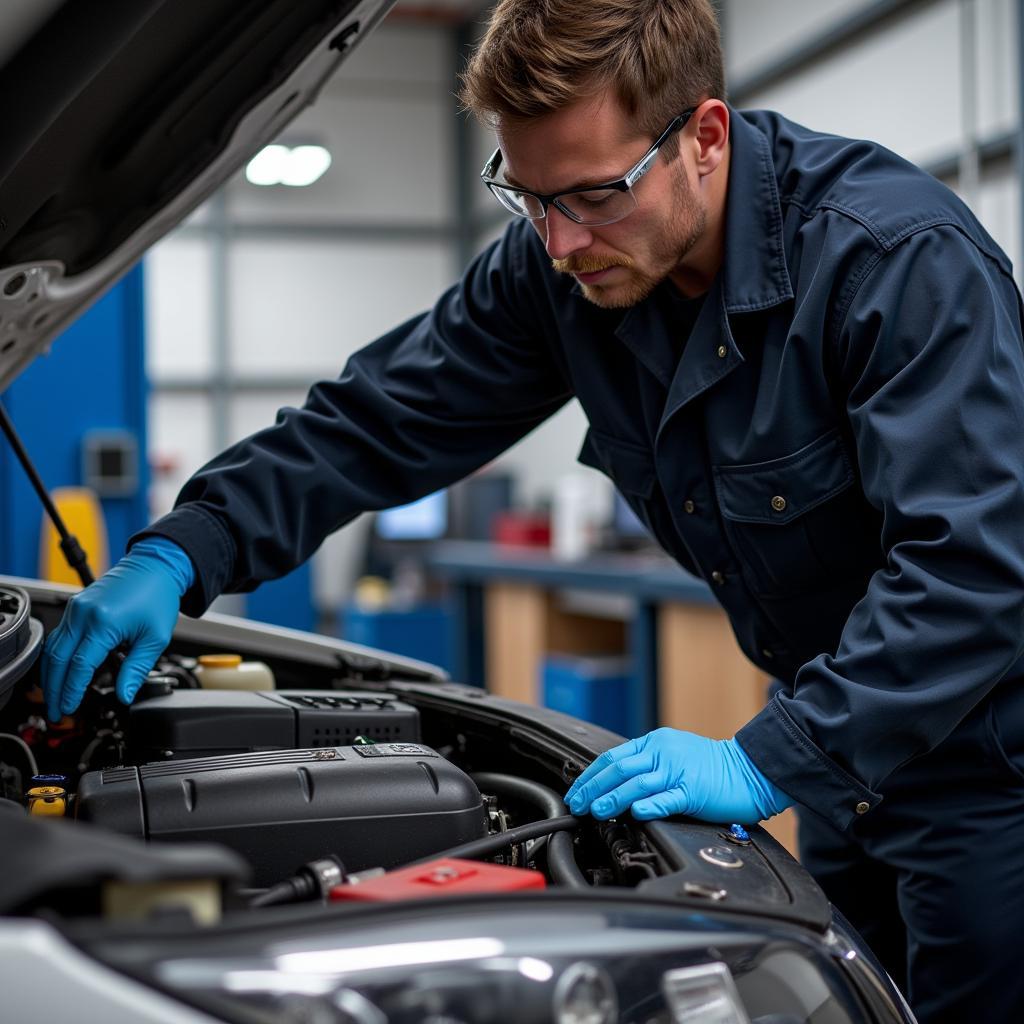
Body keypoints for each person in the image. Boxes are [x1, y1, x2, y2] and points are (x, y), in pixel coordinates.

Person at [42, 1, 1024, 1018]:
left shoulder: (892, 260)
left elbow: (974, 569)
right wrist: (181, 548)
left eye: (595, 194)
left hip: (990, 763)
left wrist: (762, 757)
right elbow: (374, 421)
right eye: (528, 196)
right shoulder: (561, 268)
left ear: (705, 136)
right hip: (842, 761)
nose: (560, 242)